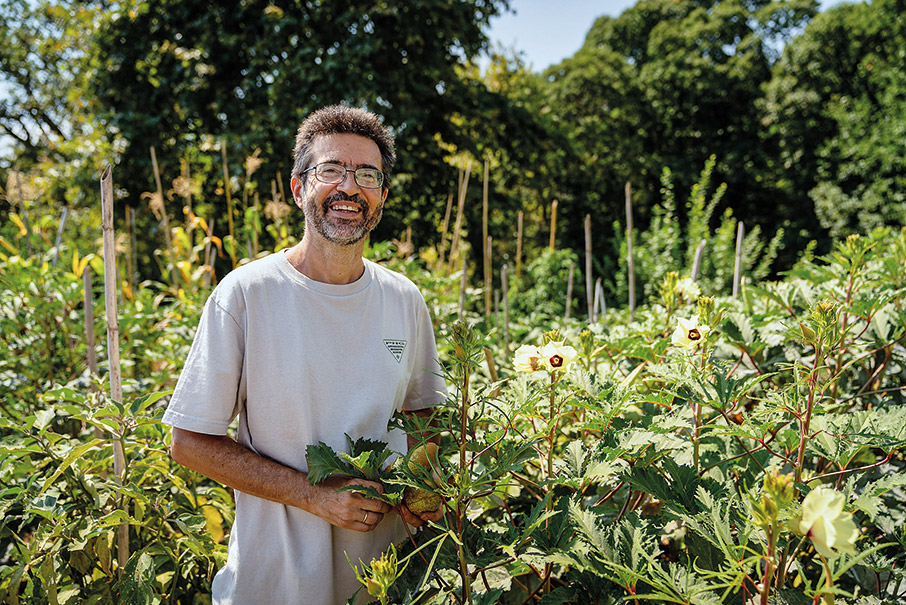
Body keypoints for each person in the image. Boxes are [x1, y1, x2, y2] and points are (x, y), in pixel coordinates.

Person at [163, 105, 447, 604]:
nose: (349, 187)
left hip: (385, 582)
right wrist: (312, 495)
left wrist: (422, 485)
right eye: (331, 170)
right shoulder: (246, 295)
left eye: (367, 175)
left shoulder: (404, 300)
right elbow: (189, 441)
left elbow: (421, 410)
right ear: (298, 189)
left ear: (382, 196)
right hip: (275, 583)